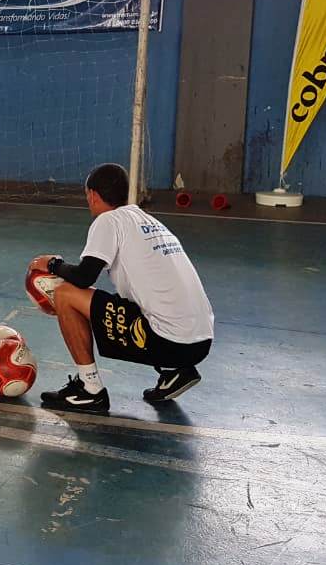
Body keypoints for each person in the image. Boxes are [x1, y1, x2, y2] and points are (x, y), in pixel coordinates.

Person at [29, 163, 214, 414]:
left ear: (93, 195)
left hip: (172, 342)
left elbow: (83, 277)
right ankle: (176, 372)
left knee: (65, 295)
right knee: (135, 302)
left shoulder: (108, 220)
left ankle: (90, 390)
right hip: (200, 342)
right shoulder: (148, 220)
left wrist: (52, 264)